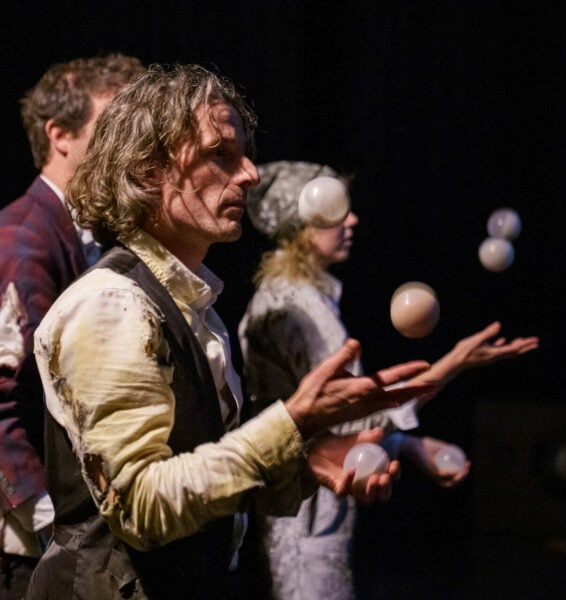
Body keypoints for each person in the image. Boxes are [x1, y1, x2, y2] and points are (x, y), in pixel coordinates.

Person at [23, 64, 442, 600]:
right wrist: (291, 423)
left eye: (243, 154)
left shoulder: (191, 305)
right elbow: (142, 507)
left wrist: (302, 461)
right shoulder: (112, 304)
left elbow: (197, 476)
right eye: (220, 153)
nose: (249, 174)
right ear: (149, 170)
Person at [238, 160, 540, 599]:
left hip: (314, 509)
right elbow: (353, 414)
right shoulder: (297, 308)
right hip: (304, 516)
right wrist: (455, 362)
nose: (352, 220)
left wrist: (409, 446)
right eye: (338, 211)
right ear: (302, 225)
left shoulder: (302, 297)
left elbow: (333, 422)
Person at [0, 53, 143, 599]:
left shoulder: (87, 232)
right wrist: (53, 521)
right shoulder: (24, 237)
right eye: (112, 127)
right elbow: (6, 398)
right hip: (29, 545)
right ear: (59, 135)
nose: (129, 145)